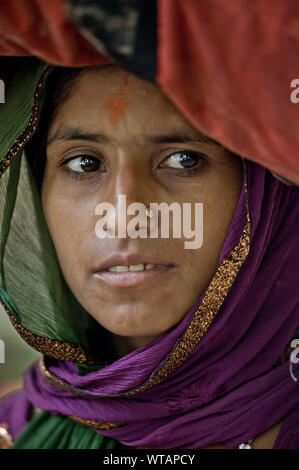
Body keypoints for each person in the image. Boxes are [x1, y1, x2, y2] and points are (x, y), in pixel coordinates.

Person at [0, 58, 298, 449]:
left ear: (264, 198)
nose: (125, 216)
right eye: (84, 163)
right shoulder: (15, 432)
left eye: (183, 159)